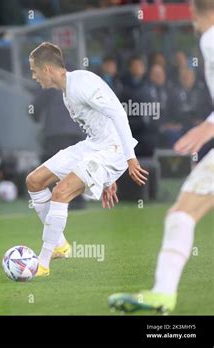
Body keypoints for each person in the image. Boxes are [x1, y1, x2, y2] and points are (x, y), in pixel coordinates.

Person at [108, 0, 214, 314]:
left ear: (194, 13)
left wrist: (209, 125)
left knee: (181, 216)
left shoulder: (210, 39)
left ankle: (163, 293)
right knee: (182, 214)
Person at [26, 42, 148, 276]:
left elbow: (118, 113)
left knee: (61, 193)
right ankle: (59, 244)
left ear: (47, 70)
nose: (33, 76)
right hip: (93, 146)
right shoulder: (66, 90)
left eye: (34, 70)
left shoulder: (81, 83)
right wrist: (105, 178)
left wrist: (128, 159)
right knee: (35, 181)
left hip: (112, 150)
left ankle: (42, 263)